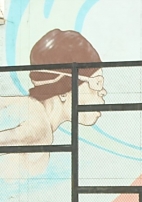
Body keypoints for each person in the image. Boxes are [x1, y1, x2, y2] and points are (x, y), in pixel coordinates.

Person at [1, 29, 107, 180]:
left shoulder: (28, 109)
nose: (103, 91)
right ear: (63, 90)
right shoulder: (39, 127)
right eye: (97, 83)